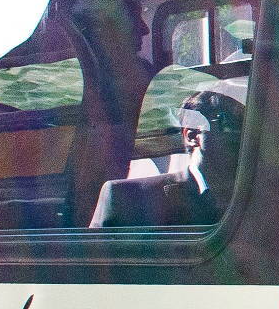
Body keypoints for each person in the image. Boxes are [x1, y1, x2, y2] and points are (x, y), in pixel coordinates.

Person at [89, 87, 241, 228]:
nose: (239, 133)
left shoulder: (259, 199)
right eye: (226, 122)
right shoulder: (127, 200)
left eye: (243, 124)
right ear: (192, 136)